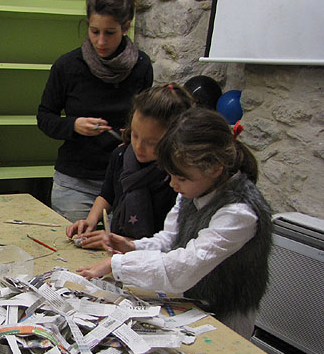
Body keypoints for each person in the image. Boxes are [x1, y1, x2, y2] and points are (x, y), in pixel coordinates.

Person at [78, 108, 272, 338]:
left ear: (215, 169)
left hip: (226, 315)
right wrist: (134, 246)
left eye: (180, 177)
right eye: (170, 175)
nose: (172, 184)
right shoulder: (195, 187)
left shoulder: (239, 213)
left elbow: (183, 268)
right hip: (189, 303)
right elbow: (170, 238)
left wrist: (118, 264)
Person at [37, 0, 153, 222]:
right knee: (75, 244)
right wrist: (74, 125)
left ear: (125, 27)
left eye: (109, 33)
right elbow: (44, 117)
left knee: (121, 247)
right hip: (75, 182)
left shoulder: (141, 66)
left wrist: (132, 135)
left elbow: (146, 121)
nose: (100, 41)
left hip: (124, 180)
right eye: (94, 31)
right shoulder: (68, 66)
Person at [66, 84, 194, 248]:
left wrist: (124, 243)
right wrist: (90, 222)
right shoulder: (121, 155)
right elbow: (107, 195)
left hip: (152, 254)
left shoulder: (177, 178)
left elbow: (171, 243)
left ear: (175, 138)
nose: (138, 147)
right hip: (119, 248)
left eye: (151, 143)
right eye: (134, 134)